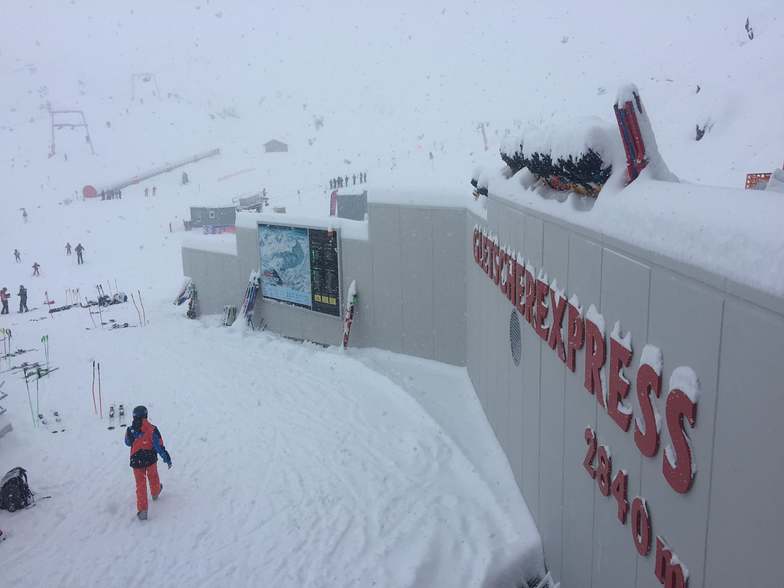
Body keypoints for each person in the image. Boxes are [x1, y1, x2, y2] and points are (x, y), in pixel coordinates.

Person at [124, 406, 172, 520]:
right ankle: (155, 492)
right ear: (146, 415)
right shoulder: (152, 429)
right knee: (153, 476)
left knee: (140, 485)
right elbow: (159, 446)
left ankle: (143, 511)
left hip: (136, 461)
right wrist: (167, 458)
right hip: (150, 458)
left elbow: (127, 443)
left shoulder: (130, 430)